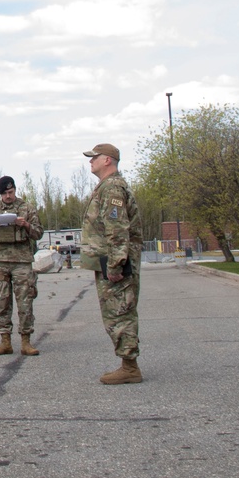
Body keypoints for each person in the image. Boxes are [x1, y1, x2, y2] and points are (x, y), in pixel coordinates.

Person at [79, 143, 144, 384]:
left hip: (115, 263)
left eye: (94, 157)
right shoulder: (107, 186)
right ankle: (128, 363)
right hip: (108, 260)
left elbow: (117, 230)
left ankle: (130, 367)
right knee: (116, 311)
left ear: (108, 160)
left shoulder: (113, 187)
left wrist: (116, 265)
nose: (90, 161)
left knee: (120, 311)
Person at [0, 177, 42, 356]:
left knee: (25, 301)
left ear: (15, 190)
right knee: (2, 301)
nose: (8, 196)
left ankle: (26, 341)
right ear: (0, 194)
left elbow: (39, 232)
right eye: (5, 193)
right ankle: (5, 340)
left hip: (21, 261)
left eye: (11, 192)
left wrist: (26, 225)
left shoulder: (27, 208)